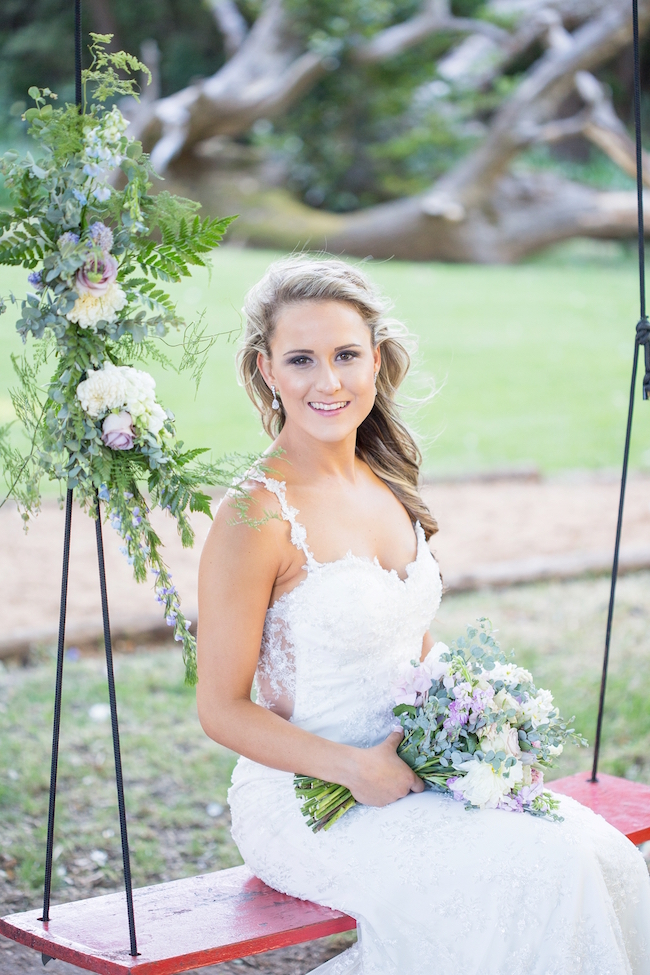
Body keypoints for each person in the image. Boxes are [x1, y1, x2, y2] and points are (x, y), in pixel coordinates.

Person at [197, 256, 650, 975]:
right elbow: (221, 709)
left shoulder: (385, 482)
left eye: (347, 354)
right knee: (539, 872)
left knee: (599, 852)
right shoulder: (255, 514)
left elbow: (411, 649)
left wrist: (481, 733)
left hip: (415, 776)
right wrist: (354, 768)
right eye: (302, 359)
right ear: (267, 369)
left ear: (375, 360)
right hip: (311, 803)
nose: (329, 381)